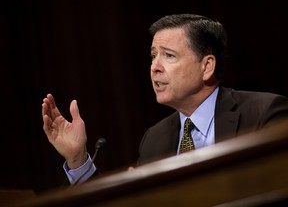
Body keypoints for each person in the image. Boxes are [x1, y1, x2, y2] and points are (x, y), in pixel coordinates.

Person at [42, 14, 288, 186]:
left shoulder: (263, 114)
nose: (154, 68)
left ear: (207, 67)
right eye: (152, 57)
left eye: (169, 56)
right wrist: (77, 159)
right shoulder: (154, 140)